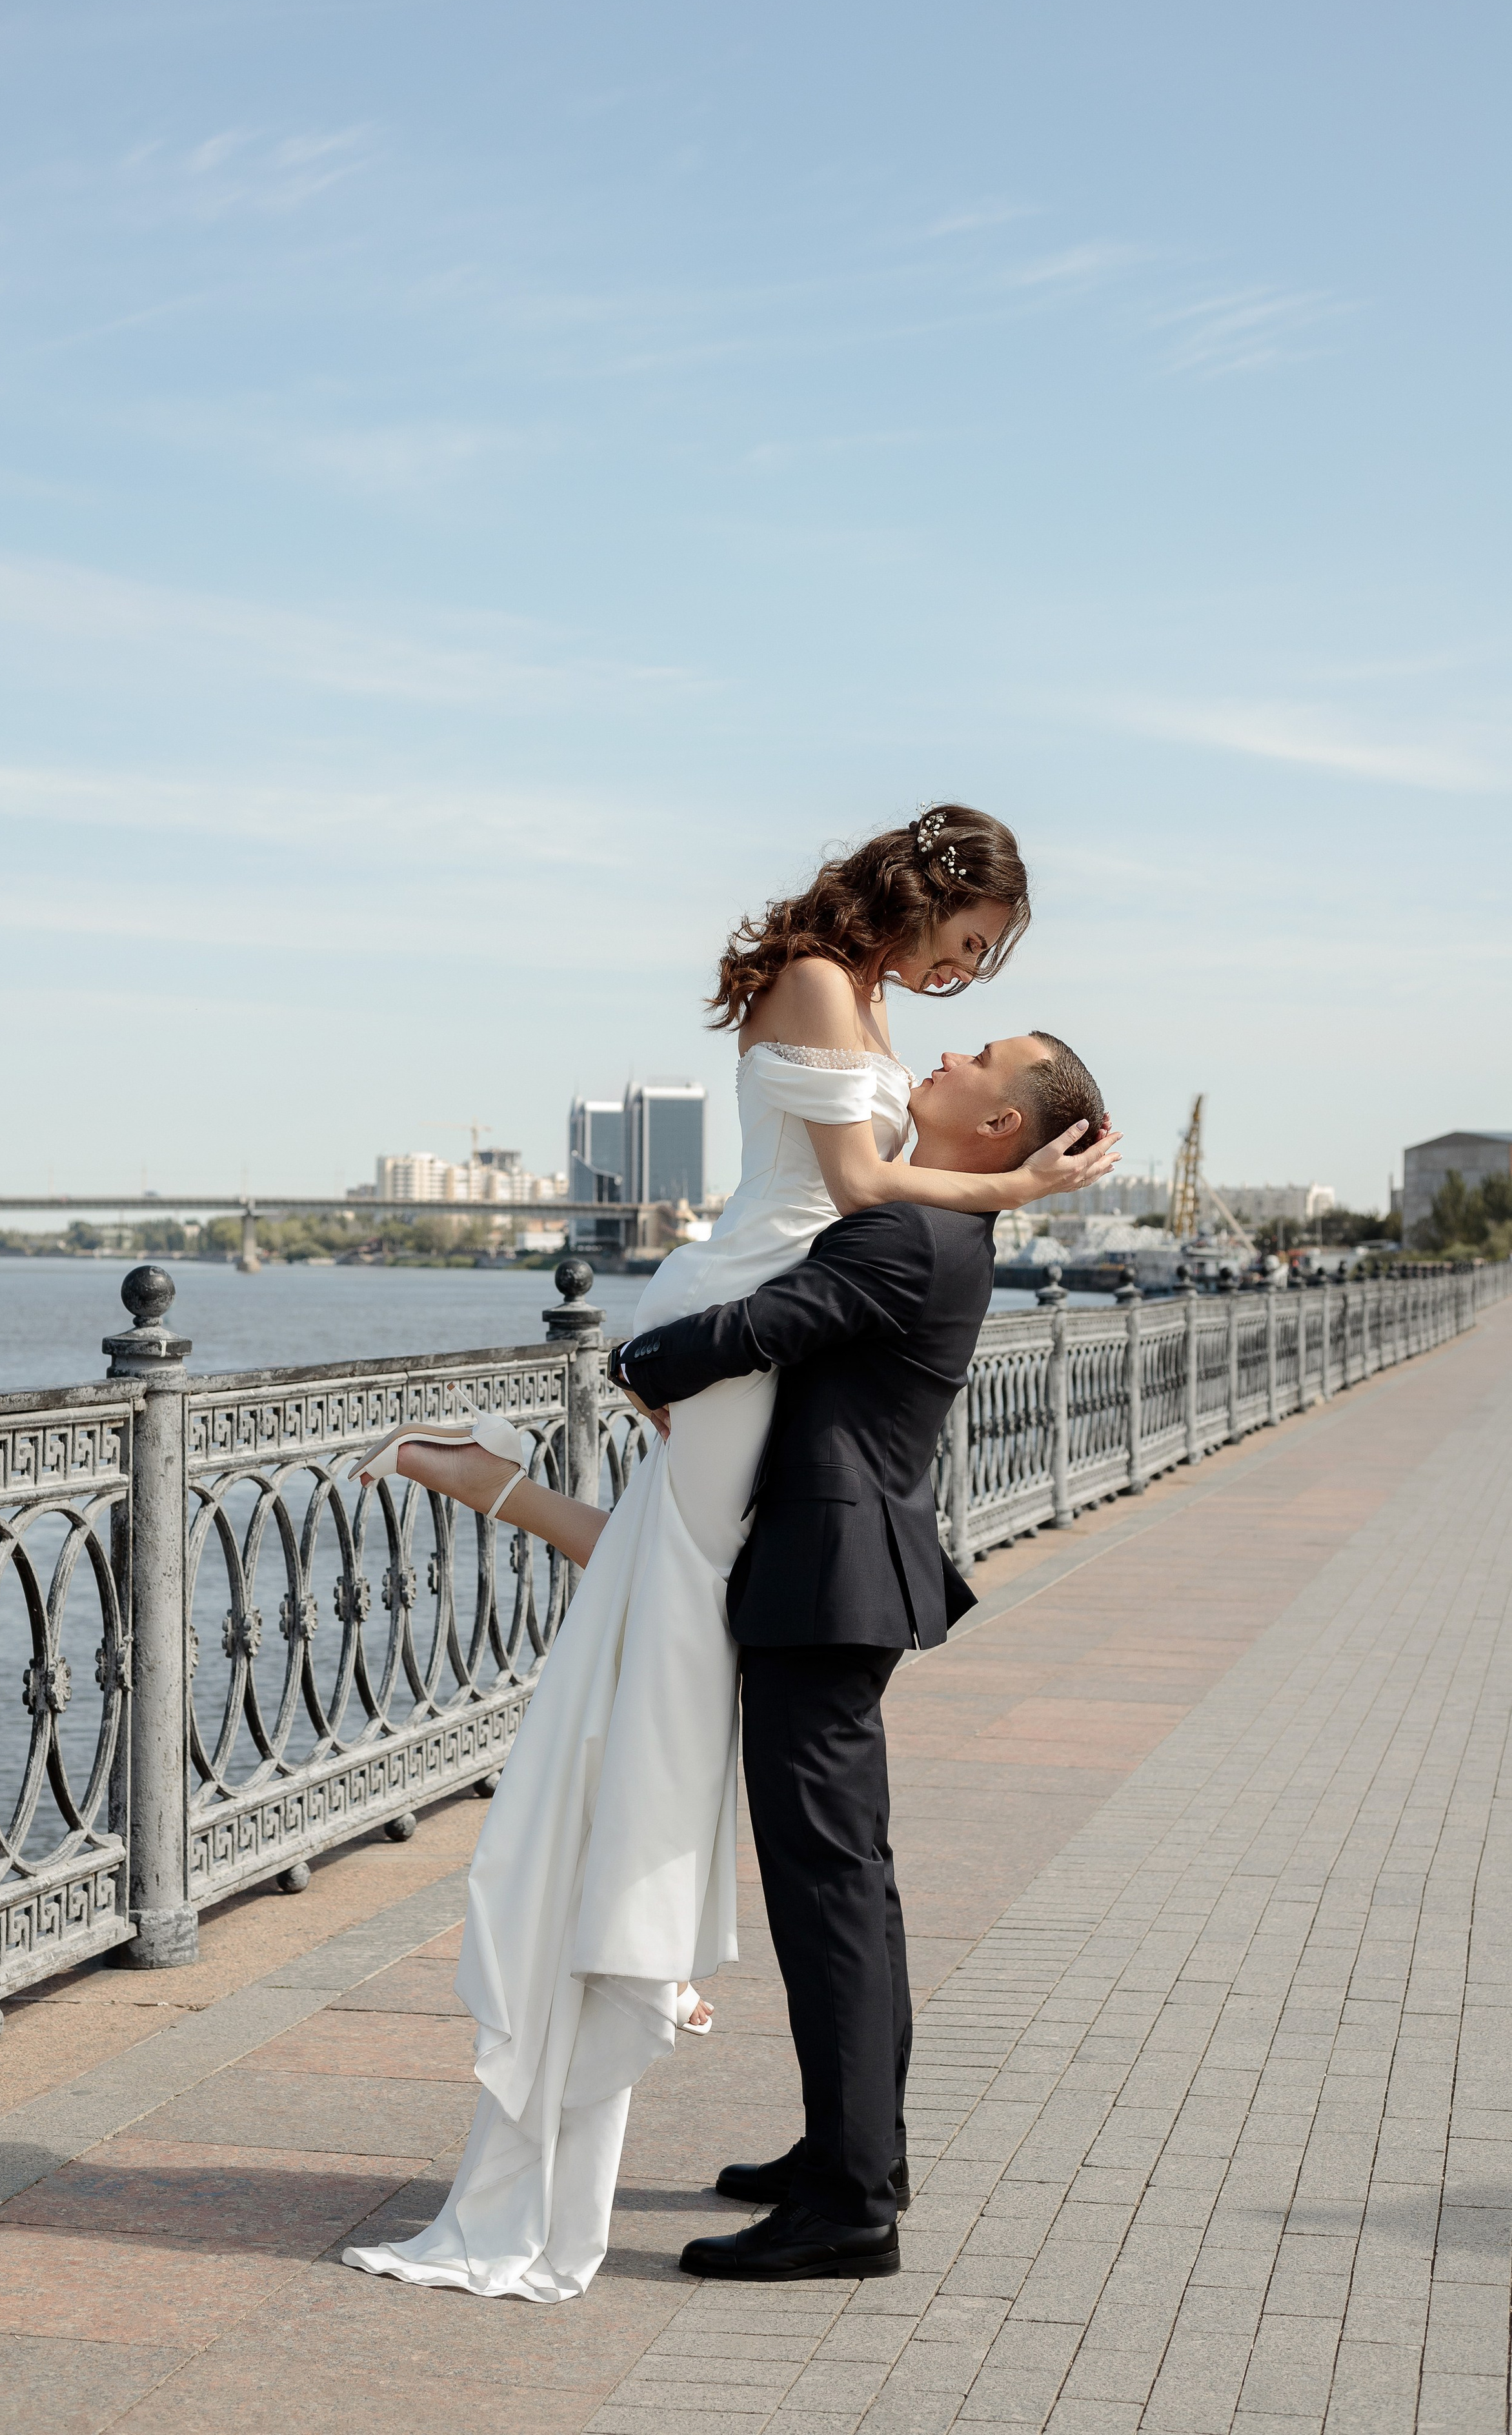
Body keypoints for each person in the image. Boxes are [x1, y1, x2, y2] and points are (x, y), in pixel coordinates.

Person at [338, 808, 1118, 2301]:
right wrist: (1008, 1194)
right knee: (692, 1658)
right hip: (789, 1353)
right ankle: (842, 2155)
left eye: (980, 985)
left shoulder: (896, 1162)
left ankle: (834, 2172)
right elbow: (861, 1187)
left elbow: (862, 1202)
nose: (957, 998)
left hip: (788, 1418)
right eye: (966, 948)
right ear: (929, 895)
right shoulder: (838, 997)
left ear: (1002, 1122)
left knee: (763, 1790)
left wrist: (652, 1359)